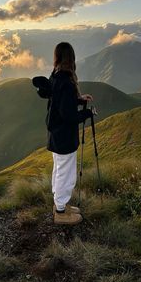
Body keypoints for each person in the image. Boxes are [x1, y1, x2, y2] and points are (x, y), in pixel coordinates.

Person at [46, 42, 93, 225]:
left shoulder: (55, 76)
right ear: (71, 59)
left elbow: (60, 104)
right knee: (66, 173)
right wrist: (87, 113)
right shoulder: (66, 82)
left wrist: (79, 99)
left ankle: (60, 204)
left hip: (55, 133)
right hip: (64, 136)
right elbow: (69, 115)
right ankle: (60, 212)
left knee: (59, 169)